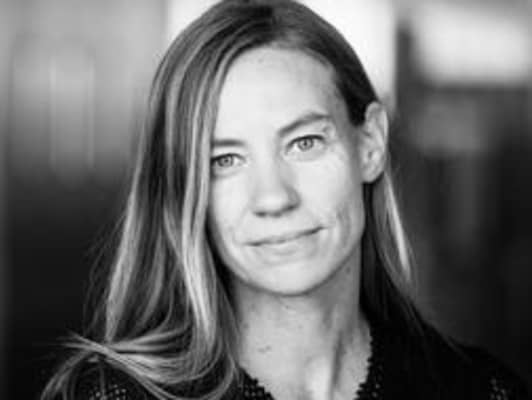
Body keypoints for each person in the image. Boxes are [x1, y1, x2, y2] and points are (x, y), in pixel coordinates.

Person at [42, 0, 530, 399]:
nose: (274, 197)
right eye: (224, 160)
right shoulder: (111, 395)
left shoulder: (482, 391)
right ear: (185, 188)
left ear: (370, 144)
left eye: (304, 143)